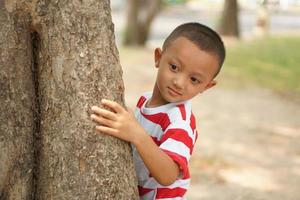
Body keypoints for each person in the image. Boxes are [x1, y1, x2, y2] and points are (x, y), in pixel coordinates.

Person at [90, 22, 225, 199]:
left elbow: (168, 175)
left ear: (206, 87)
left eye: (194, 80)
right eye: (174, 67)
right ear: (158, 58)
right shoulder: (145, 99)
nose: (179, 82)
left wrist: (136, 134)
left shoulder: (180, 122)